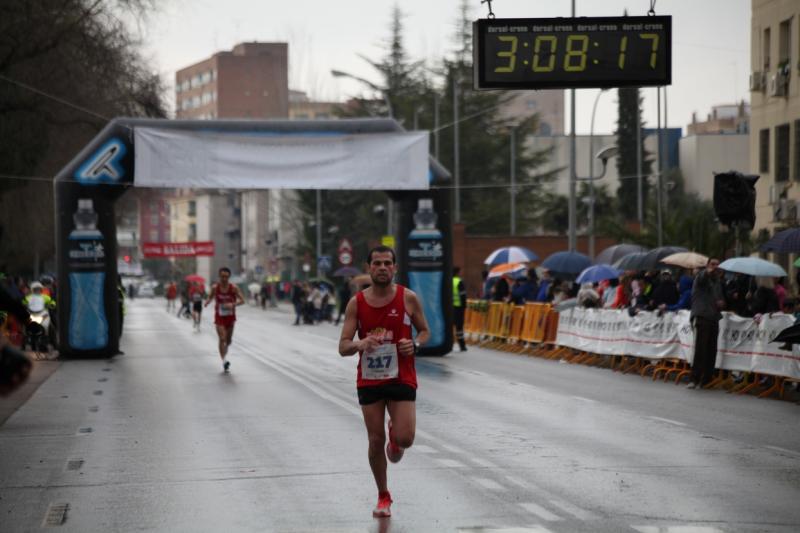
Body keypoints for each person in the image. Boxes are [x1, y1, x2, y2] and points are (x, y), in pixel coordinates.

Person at [338, 246, 430, 518]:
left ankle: (396, 438)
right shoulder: (357, 303)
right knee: (375, 440)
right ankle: (383, 495)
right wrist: (360, 343)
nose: (382, 267)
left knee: (406, 438)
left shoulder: (408, 298)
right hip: (370, 379)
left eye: (387, 263)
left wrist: (413, 344)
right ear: (368, 267)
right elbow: (342, 346)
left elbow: (425, 331)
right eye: (376, 263)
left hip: (402, 375)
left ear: (395, 268)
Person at [688, 257, 724, 389]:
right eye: (712, 264)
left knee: (711, 349)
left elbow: (720, 298)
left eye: (717, 265)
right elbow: (704, 275)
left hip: (714, 316)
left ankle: (706, 379)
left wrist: (721, 302)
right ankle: (694, 378)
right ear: (707, 265)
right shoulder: (701, 276)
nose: (715, 267)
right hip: (702, 315)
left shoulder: (717, 281)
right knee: (700, 348)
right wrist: (708, 271)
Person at [204, 267, 245, 372]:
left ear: (229, 277)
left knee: (228, 340)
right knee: (222, 338)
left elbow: (242, 300)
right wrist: (207, 301)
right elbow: (210, 296)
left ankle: (224, 356)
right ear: (219, 276)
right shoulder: (215, 288)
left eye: (226, 277)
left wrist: (233, 304)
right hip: (219, 316)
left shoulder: (234, 288)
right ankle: (224, 361)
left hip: (230, 317)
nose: (224, 279)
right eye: (222, 276)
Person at [452, 267, 467, 352]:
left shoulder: (448, 280)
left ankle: (449, 343)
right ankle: (462, 345)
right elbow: (462, 295)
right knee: (459, 327)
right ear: (457, 272)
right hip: (458, 307)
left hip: (449, 308)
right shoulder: (458, 281)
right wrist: (464, 306)